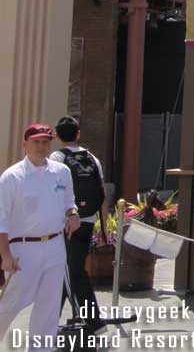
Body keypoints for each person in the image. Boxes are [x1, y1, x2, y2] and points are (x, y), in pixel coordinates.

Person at [0, 124, 80, 347]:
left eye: (45, 142)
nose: (41, 146)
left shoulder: (61, 172)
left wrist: (73, 214)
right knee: (10, 303)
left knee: (49, 305)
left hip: (55, 245)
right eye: (36, 141)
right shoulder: (11, 177)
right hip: (23, 249)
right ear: (25, 144)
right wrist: (5, 255)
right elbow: (1, 220)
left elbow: (69, 203)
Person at [50, 115, 107, 331]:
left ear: (56, 136)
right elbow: (102, 194)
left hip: (66, 224)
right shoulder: (92, 158)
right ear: (78, 134)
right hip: (88, 221)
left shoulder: (57, 158)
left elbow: (53, 191)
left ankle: (95, 322)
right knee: (69, 270)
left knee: (71, 272)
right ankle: (49, 322)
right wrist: (103, 227)